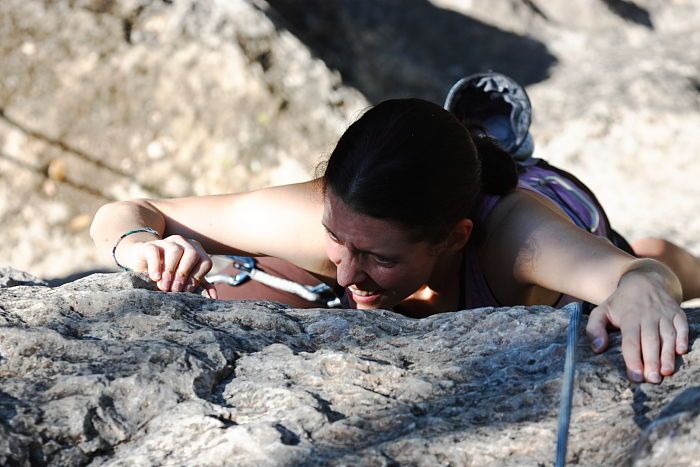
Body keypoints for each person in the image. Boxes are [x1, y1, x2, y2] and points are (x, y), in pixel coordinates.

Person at [90, 83, 698, 386]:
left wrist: (644, 283)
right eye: (339, 241)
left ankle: (494, 145)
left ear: (454, 238)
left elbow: (633, 280)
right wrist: (142, 247)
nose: (348, 273)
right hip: (441, 207)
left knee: (637, 251)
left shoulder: (515, 237)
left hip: (557, 205)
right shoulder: (324, 218)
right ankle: (471, 133)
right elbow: (132, 208)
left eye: (379, 257)